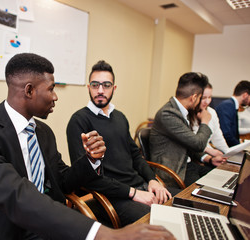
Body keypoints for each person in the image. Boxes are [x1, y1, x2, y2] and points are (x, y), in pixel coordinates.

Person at [0, 53, 175, 240]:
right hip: (8, 231)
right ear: (29, 90)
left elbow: (62, 181)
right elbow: (16, 195)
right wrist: (104, 234)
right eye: (51, 89)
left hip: (50, 223)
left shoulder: (42, 132)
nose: (55, 97)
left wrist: (90, 160)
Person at [66, 60, 175, 226]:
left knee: (184, 203)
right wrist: (133, 193)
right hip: (111, 196)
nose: (100, 90)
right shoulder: (79, 121)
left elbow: (135, 155)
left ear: (114, 88)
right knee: (162, 224)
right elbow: (85, 176)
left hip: (140, 186)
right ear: (89, 87)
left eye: (106, 85)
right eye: (95, 85)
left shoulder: (120, 117)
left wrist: (152, 180)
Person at [149, 72, 223, 188]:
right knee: (208, 191)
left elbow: (189, 145)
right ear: (194, 98)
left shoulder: (181, 111)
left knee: (221, 180)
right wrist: (205, 122)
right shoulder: (168, 114)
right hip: (175, 172)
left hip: (187, 165)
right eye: (200, 97)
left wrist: (209, 159)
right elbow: (198, 144)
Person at [192, 83, 229, 160]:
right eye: (203, 98)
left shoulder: (212, 112)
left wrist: (228, 153)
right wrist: (210, 151)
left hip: (208, 154)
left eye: (209, 97)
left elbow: (218, 137)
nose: (207, 102)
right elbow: (193, 142)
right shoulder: (188, 114)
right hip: (194, 156)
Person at [216, 80, 250, 147]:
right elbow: (226, 134)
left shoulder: (232, 105)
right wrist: (240, 146)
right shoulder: (227, 105)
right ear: (245, 95)